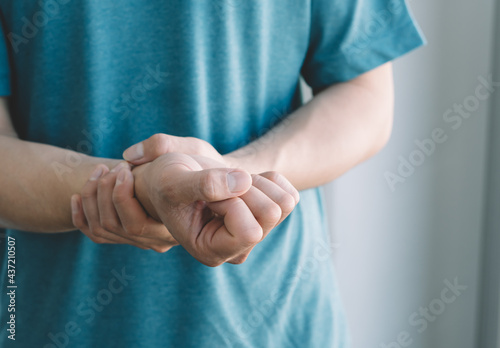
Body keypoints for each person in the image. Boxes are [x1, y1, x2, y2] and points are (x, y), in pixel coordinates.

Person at [0, 1, 424, 347]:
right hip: (50, 321)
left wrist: (226, 178)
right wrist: (144, 190)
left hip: (275, 325)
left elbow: (364, 96)